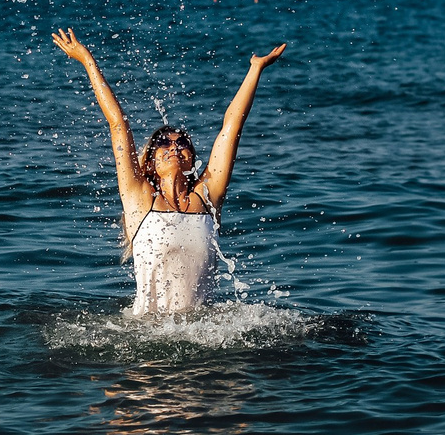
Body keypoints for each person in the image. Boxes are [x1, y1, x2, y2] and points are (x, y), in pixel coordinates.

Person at [50, 29, 288, 314]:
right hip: (147, 335)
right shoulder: (139, 199)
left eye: (182, 143)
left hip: (204, 332)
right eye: (163, 142)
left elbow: (232, 127)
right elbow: (117, 123)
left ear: (191, 159)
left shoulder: (207, 197)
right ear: (150, 162)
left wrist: (255, 69)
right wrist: (87, 60)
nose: (174, 146)